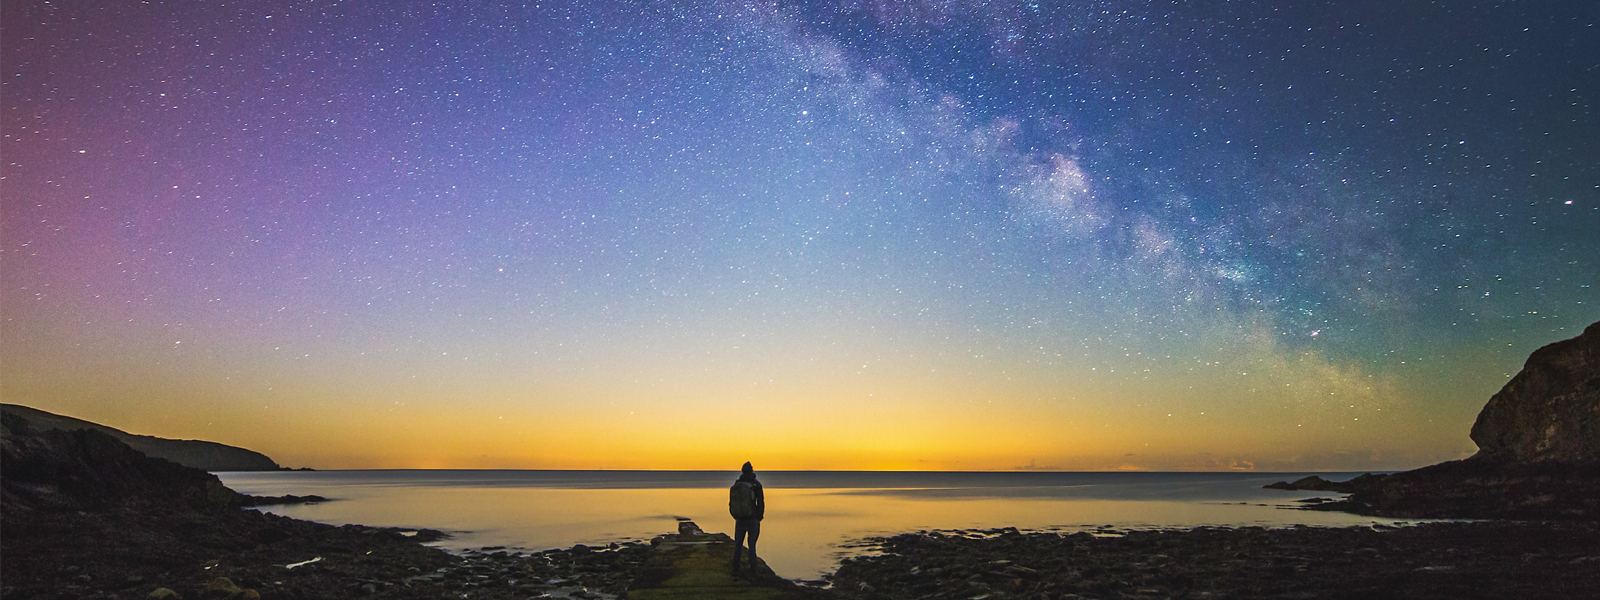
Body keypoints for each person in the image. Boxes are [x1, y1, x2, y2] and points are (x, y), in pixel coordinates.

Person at [728, 461, 765, 574]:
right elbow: (761, 501)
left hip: (740, 518)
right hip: (752, 518)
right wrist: (760, 515)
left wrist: (735, 515)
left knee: (738, 544)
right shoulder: (756, 484)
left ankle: (735, 568)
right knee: (752, 545)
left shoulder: (738, 484)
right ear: (752, 470)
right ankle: (753, 569)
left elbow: (733, 502)